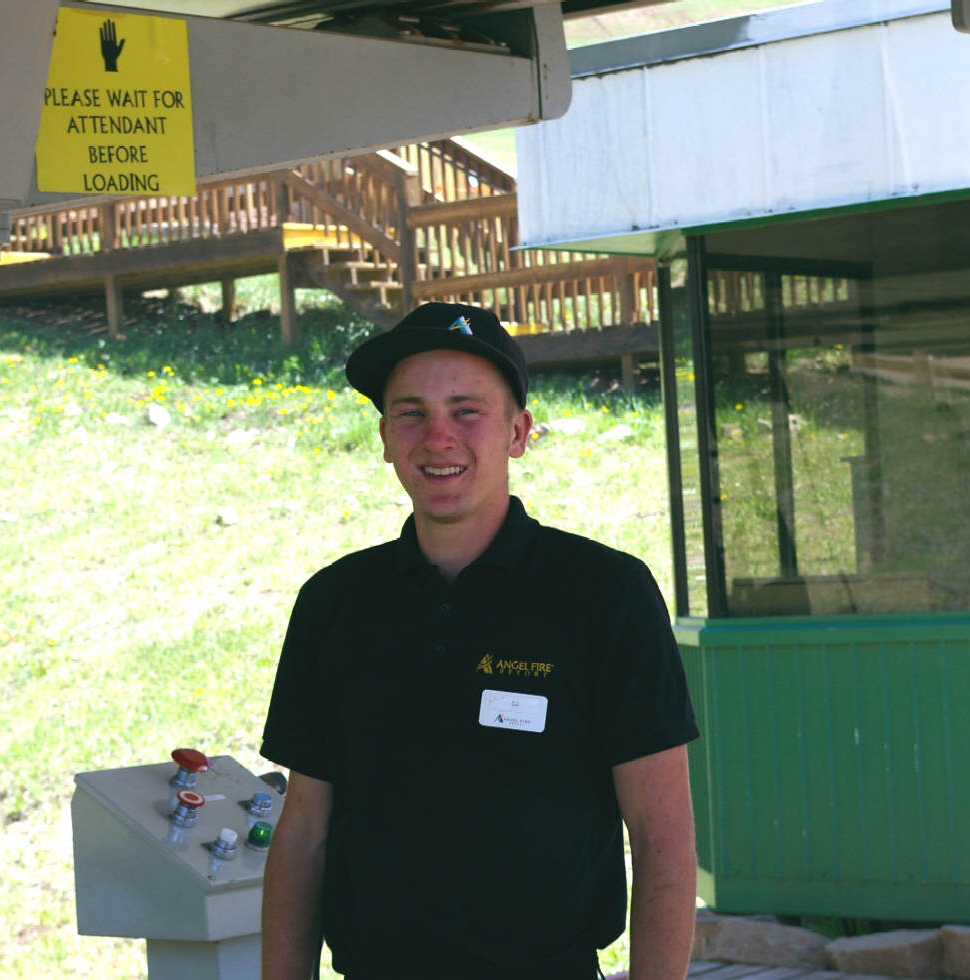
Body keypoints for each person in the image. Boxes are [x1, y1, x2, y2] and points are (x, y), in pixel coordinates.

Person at [260, 302, 699, 980]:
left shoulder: (605, 594)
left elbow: (661, 837)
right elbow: (303, 834)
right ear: (385, 437)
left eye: (466, 411)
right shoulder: (335, 603)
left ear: (518, 432)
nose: (437, 437)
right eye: (411, 413)